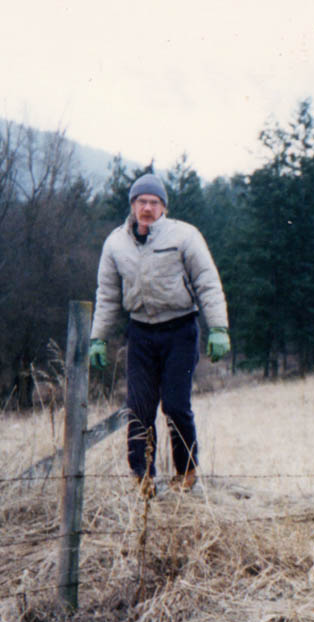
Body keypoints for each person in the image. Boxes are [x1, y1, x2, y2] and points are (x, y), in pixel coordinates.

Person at [88, 172, 230, 497]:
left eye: (154, 202)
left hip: (180, 329)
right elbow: (108, 294)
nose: (147, 208)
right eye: (141, 202)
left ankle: (186, 472)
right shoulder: (115, 244)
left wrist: (218, 328)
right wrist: (98, 337)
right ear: (133, 206)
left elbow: (207, 282)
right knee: (139, 408)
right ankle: (143, 478)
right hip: (140, 333)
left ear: (163, 207)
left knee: (176, 405)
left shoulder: (184, 236)